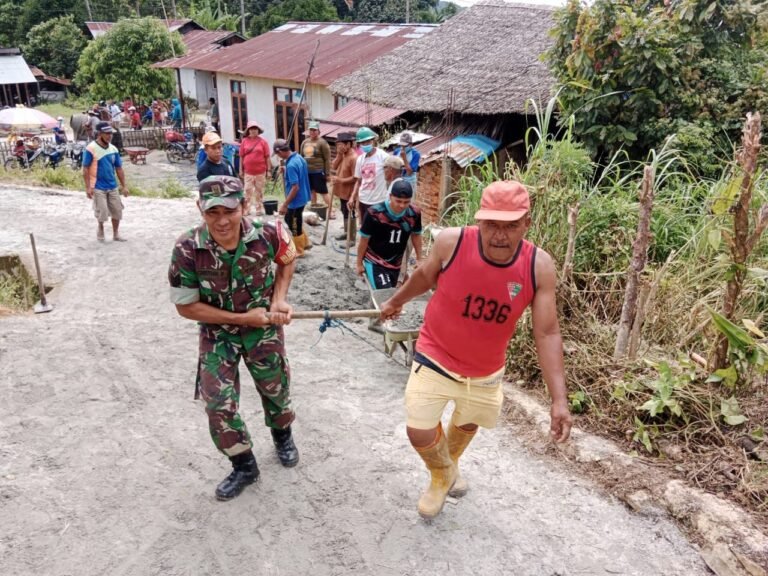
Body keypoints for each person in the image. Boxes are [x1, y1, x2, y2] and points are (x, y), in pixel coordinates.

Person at [379, 181, 572, 519]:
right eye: (491, 225)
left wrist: (559, 400)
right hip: (435, 353)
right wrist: (395, 301)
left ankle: (446, 470)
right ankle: (442, 476)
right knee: (419, 429)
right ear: (478, 220)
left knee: (467, 424)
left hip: (485, 369)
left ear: (527, 223)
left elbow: (548, 332)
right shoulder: (451, 243)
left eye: (510, 225)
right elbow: (425, 277)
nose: (500, 235)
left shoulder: (537, 267)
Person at [168, 175, 300, 501]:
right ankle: (244, 464)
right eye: (212, 212)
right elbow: (186, 307)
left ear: (243, 205)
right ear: (200, 209)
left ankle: (282, 435)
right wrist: (242, 319)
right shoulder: (187, 248)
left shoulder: (269, 233)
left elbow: (288, 257)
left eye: (229, 210)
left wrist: (279, 298)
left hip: (264, 327)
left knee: (276, 387)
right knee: (217, 403)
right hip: (218, 332)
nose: (222, 221)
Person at [357, 179, 423, 289]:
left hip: (396, 263)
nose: (402, 205)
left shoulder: (414, 213)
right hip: (375, 261)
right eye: (398, 201)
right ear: (390, 196)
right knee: (386, 294)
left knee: (392, 294)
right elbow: (364, 240)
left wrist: (419, 258)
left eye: (406, 202)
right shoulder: (374, 213)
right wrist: (359, 263)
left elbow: (416, 235)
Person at [82, 121, 129, 242]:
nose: (109, 136)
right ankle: (101, 227)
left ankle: (116, 233)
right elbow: (85, 168)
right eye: (107, 133)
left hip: (112, 185)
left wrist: (124, 186)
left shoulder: (113, 149)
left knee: (117, 210)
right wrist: (88, 187)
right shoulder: (91, 148)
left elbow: (119, 168)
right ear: (100, 134)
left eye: (111, 134)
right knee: (102, 212)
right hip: (97, 186)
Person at [273, 139, 311, 257]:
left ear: (280, 151)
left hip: (296, 199)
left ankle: (299, 250)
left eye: (278, 154)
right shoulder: (298, 158)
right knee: (290, 219)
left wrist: (284, 204)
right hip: (303, 196)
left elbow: (295, 188)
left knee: (294, 223)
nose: (278, 157)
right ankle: (305, 242)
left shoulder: (291, 165)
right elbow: (298, 174)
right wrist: (286, 171)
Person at [349, 126, 390, 224]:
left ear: (373, 141)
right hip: (363, 200)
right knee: (365, 229)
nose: (366, 144)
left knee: (378, 230)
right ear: (360, 144)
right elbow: (358, 181)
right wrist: (352, 197)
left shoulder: (383, 157)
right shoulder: (360, 159)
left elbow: (392, 175)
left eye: (368, 142)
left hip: (378, 201)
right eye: (363, 143)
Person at [330, 131, 359, 242]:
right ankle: (347, 233)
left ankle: (351, 238)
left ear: (348, 144)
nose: (339, 147)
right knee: (344, 211)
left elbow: (355, 178)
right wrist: (338, 155)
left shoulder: (354, 158)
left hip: (350, 192)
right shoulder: (343, 155)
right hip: (341, 191)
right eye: (337, 145)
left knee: (350, 213)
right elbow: (334, 165)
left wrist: (340, 180)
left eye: (341, 144)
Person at [239, 120, 271, 216]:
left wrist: (268, 171)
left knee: (259, 191)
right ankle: (246, 209)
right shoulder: (244, 142)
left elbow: (267, 157)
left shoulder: (263, 142)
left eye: (255, 129)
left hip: (260, 171)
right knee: (247, 191)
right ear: (248, 130)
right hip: (248, 171)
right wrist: (241, 170)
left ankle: (259, 209)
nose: (253, 131)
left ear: (258, 130)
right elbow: (241, 156)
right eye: (251, 129)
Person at [301, 120, 333, 217]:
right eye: (311, 130)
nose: (313, 132)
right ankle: (314, 210)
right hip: (307, 172)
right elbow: (301, 157)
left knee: (324, 192)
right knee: (312, 191)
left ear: (319, 131)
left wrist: (327, 173)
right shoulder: (305, 142)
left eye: (315, 130)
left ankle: (331, 211)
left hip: (318, 171)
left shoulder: (322, 143)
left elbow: (327, 159)